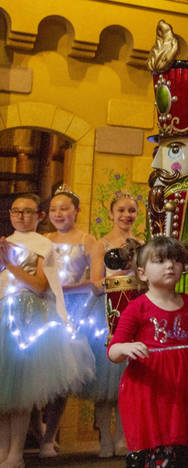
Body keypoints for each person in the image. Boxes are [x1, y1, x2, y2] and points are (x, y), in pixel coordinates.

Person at [108, 236, 188, 467]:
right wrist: (127, 348)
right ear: (142, 273)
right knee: (153, 449)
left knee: (182, 450)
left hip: (184, 389)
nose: (170, 266)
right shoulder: (137, 307)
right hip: (150, 390)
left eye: (176, 260)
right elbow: (113, 350)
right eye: (160, 260)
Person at [0, 194, 93, 468]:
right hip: (4, 316)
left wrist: (11, 265)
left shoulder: (43, 245)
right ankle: (3, 448)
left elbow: (41, 285)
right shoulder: (5, 243)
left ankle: (16, 452)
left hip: (28, 317)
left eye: (28, 212)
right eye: (16, 211)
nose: (21, 216)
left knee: (19, 391)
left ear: (39, 216)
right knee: (3, 391)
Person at [38, 186, 108, 459]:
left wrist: (67, 287)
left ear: (76, 211)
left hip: (72, 310)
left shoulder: (88, 240)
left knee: (60, 377)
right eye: (54, 209)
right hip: (42, 307)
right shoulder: (43, 239)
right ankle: (37, 428)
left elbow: (98, 281)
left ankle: (48, 437)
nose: (58, 213)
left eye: (64, 208)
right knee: (33, 373)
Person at [92, 192, 142, 456]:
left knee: (128, 380)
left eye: (131, 211)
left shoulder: (141, 243)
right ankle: (104, 440)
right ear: (111, 214)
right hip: (107, 313)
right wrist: (118, 276)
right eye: (121, 210)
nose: (126, 215)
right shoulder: (101, 244)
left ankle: (124, 438)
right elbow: (94, 280)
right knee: (104, 385)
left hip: (134, 313)